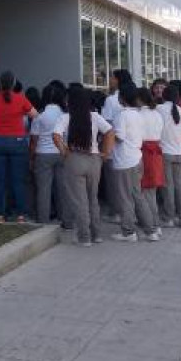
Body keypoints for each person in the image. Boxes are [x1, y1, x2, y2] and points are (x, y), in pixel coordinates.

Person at [52, 86, 114, 247]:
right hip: (94, 160)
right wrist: (105, 153)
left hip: (75, 159)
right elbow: (109, 132)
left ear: (69, 100)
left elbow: (56, 135)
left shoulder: (66, 117)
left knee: (80, 201)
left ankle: (84, 236)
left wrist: (64, 151)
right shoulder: (94, 116)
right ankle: (97, 234)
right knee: (93, 198)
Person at [0, 71, 38, 222]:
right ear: (14, 84)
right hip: (18, 142)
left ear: (0, 84)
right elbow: (35, 115)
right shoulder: (21, 99)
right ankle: (20, 215)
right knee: (18, 180)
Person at [110, 84, 159, 242]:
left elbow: (119, 137)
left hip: (125, 161)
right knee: (137, 196)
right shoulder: (138, 114)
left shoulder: (122, 115)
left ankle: (128, 232)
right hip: (137, 158)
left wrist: (107, 135)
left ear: (121, 98)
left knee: (126, 198)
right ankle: (150, 231)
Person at [30, 82, 67, 224]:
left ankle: (43, 220)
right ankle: (65, 219)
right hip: (61, 153)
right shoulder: (64, 115)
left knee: (43, 189)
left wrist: (31, 158)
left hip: (43, 154)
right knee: (62, 188)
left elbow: (34, 140)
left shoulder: (40, 116)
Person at [100, 69, 132, 222]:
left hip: (115, 145)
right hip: (133, 147)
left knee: (115, 183)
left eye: (112, 77)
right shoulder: (134, 97)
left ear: (118, 80)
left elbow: (105, 125)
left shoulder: (112, 100)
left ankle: (117, 212)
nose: (110, 80)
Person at [159, 84, 181, 227]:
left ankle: (169, 217)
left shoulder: (159, 110)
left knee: (168, 186)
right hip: (179, 152)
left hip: (165, 152)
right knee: (180, 186)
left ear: (163, 96)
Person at [136, 87, 164, 232]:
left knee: (143, 192)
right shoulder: (157, 114)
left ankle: (151, 224)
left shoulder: (139, 114)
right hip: (156, 153)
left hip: (143, 152)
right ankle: (154, 223)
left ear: (139, 99)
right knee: (151, 191)